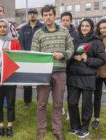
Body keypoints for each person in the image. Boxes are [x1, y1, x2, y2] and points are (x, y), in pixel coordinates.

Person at [31, 5, 74, 140]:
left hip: (60, 72)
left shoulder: (64, 31)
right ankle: (42, 130)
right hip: (43, 73)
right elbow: (33, 52)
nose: (48, 17)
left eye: (50, 14)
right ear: (42, 17)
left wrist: (63, 54)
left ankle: (57, 130)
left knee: (58, 103)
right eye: (45, 15)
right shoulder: (38, 33)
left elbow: (71, 48)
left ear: (54, 15)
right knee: (41, 103)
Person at [67, 18, 106, 139]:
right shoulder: (74, 40)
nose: (84, 28)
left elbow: (102, 60)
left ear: (91, 28)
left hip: (88, 77)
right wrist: (74, 57)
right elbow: (69, 55)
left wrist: (86, 59)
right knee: (72, 102)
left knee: (86, 104)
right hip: (73, 75)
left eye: (87, 26)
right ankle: (75, 126)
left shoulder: (97, 42)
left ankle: (84, 128)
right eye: (82, 26)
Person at [0, 19, 21, 137]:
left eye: (4, 27)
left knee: (11, 101)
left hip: (11, 75)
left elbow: (18, 59)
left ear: (8, 28)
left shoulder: (15, 42)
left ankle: (10, 125)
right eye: (0, 27)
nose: (2, 29)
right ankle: (1, 125)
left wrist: (9, 54)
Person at [18, 8, 43, 108]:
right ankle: (27, 102)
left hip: (39, 58)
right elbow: (20, 43)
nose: (32, 15)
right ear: (28, 16)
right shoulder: (23, 28)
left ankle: (39, 101)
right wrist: (24, 54)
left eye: (34, 13)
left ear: (37, 15)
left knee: (39, 81)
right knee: (27, 81)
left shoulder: (42, 27)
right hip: (27, 58)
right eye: (30, 14)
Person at [60, 11, 79, 119]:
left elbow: (75, 50)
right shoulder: (58, 32)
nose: (65, 22)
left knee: (71, 92)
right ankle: (61, 108)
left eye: (67, 20)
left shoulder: (75, 34)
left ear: (70, 21)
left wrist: (66, 55)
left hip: (71, 67)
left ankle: (70, 111)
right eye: (63, 20)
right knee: (59, 90)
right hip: (60, 66)